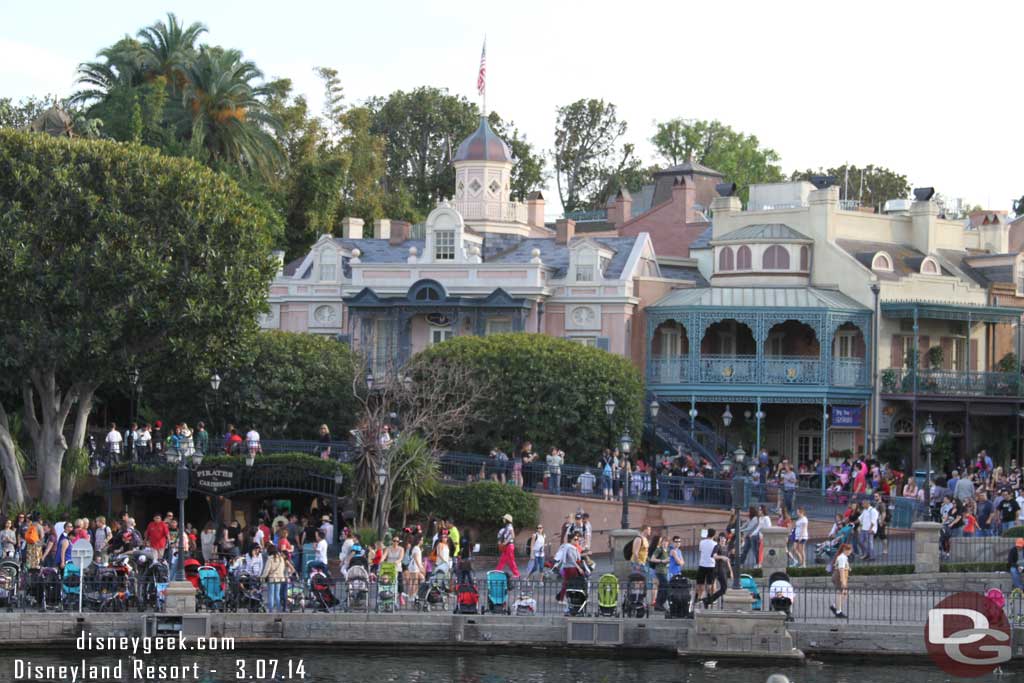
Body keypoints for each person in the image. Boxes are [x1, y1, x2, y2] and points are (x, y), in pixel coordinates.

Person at [702, 534, 733, 608]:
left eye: (724, 538)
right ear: (719, 540)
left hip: (724, 569)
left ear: (726, 540)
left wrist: (731, 571)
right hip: (718, 569)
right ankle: (708, 600)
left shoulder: (726, 547)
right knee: (723, 588)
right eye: (721, 539)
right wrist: (722, 557)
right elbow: (714, 556)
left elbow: (727, 560)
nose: (722, 540)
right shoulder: (717, 547)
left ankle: (708, 600)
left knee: (724, 589)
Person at [695, 528, 717, 608]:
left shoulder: (702, 542)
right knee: (710, 584)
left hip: (702, 564)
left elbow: (700, 550)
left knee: (700, 583)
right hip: (711, 565)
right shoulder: (715, 543)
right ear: (714, 535)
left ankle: (698, 598)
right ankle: (710, 599)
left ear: (707, 534)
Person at [261, 546, 287, 612]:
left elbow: (266, 570)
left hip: (272, 578)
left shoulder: (270, 558)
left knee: (271, 594)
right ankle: (279, 609)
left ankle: (271, 610)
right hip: (280, 578)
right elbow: (282, 568)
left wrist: (262, 577)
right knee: (277, 594)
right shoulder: (281, 558)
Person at [830, 543, 853, 618]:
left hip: (839, 576)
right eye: (849, 550)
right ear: (845, 550)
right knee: (840, 592)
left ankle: (834, 606)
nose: (850, 552)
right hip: (839, 576)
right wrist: (843, 582)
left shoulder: (843, 557)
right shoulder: (842, 557)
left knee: (844, 593)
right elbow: (841, 570)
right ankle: (838, 611)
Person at [649, 535, 670, 611]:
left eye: (666, 542)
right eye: (663, 542)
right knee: (666, 587)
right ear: (661, 543)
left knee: (662, 588)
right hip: (659, 571)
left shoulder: (667, 551)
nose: (665, 543)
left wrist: (668, 563)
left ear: (668, 543)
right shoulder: (659, 550)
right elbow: (652, 559)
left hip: (665, 571)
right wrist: (662, 561)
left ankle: (658, 605)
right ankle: (659, 604)